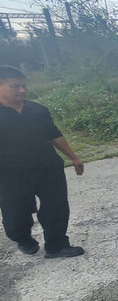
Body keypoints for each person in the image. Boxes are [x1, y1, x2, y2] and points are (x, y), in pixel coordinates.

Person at [0, 65, 85, 258]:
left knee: (57, 206)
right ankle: (22, 237)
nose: (22, 90)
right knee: (15, 212)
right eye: (15, 86)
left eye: (24, 86)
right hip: (10, 174)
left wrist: (73, 157)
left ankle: (57, 245)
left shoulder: (37, 110)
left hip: (48, 167)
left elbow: (54, 134)